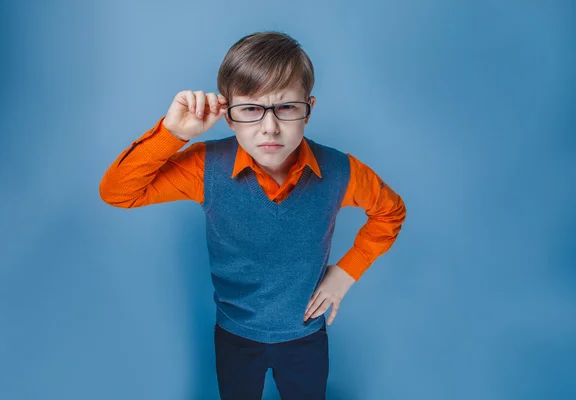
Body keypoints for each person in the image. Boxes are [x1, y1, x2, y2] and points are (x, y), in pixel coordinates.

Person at [99, 31, 406, 400]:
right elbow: (118, 192)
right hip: (235, 335)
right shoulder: (205, 167)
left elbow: (389, 212)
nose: (269, 127)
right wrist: (172, 133)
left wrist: (345, 273)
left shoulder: (341, 172)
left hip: (305, 335)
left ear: (309, 108)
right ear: (228, 116)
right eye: (250, 110)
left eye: (286, 108)